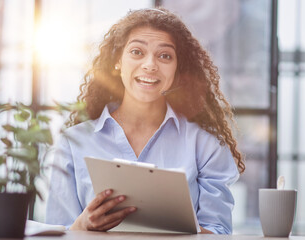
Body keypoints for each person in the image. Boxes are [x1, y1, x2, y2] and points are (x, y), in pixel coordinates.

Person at [45, 7, 245, 234]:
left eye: (165, 56)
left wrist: (173, 227)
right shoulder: (73, 143)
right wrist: (82, 225)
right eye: (137, 52)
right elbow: (55, 233)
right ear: (117, 61)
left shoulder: (206, 145)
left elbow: (219, 232)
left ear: (177, 69)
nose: (150, 65)